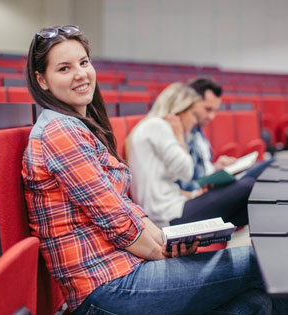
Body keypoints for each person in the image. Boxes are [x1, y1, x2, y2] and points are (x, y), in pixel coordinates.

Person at [22, 25, 286, 315]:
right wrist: (160, 252)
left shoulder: (78, 128)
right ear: (42, 80)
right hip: (106, 288)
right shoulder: (60, 132)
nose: (81, 74)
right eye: (64, 68)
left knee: (254, 304)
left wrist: (166, 242)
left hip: (127, 271)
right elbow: (116, 220)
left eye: (84, 62)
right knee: (266, 261)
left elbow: (125, 207)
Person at [127, 82, 254, 228]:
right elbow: (186, 172)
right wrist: (179, 136)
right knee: (248, 185)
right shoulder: (157, 126)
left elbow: (164, 184)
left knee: (243, 208)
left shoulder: (154, 126)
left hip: (173, 207)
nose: (194, 121)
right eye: (193, 114)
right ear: (180, 110)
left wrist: (193, 195)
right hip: (167, 216)